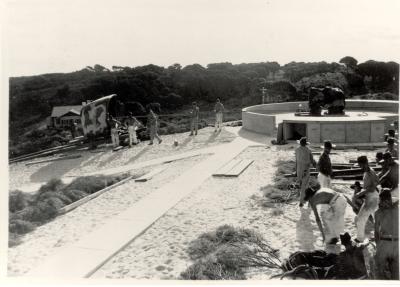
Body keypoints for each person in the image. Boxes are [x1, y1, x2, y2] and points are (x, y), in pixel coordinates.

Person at [374, 188, 399, 280]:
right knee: (395, 275)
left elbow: (376, 233)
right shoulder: (396, 209)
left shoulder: (378, 213)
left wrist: (378, 247)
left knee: (379, 272)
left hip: (386, 243)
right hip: (395, 244)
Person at [355, 156, 379, 242]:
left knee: (361, 219)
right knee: (360, 218)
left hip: (373, 197)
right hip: (369, 197)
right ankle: (361, 237)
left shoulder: (370, 172)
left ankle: (360, 239)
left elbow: (372, 188)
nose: (360, 167)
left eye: (361, 165)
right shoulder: (367, 172)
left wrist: (360, 193)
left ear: (365, 163)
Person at [295, 137, 316, 206]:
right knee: (305, 186)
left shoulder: (297, 150)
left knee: (302, 186)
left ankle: (306, 200)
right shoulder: (308, 150)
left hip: (299, 171)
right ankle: (302, 202)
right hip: (305, 170)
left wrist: (296, 171)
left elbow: (296, 161)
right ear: (306, 144)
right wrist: (315, 165)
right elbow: (312, 160)